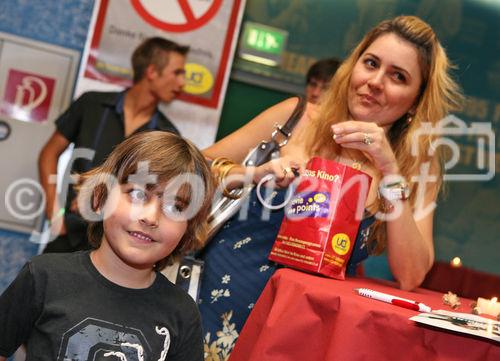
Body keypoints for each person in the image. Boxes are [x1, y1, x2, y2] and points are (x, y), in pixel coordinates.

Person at [198, 15, 463, 358]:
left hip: (304, 332)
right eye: (370, 64)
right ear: (353, 66)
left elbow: (411, 274)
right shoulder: (294, 118)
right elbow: (195, 167)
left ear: (415, 101)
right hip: (217, 304)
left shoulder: (415, 166)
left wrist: (387, 168)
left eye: (398, 76)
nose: (376, 82)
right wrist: (255, 174)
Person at [0, 131, 214, 360]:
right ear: (100, 198)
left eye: (176, 207)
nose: (151, 217)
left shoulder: (182, 313)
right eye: (138, 194)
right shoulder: (43, 276)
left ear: (187, 230)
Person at [39, 36, 189, 253]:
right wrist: (54, 215)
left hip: (122, 248)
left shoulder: (167, 134)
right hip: (70, 235)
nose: (182, 83)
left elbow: (161, 192)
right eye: (177, 73)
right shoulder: (91, 104)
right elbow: (49, 154)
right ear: (152, 72)